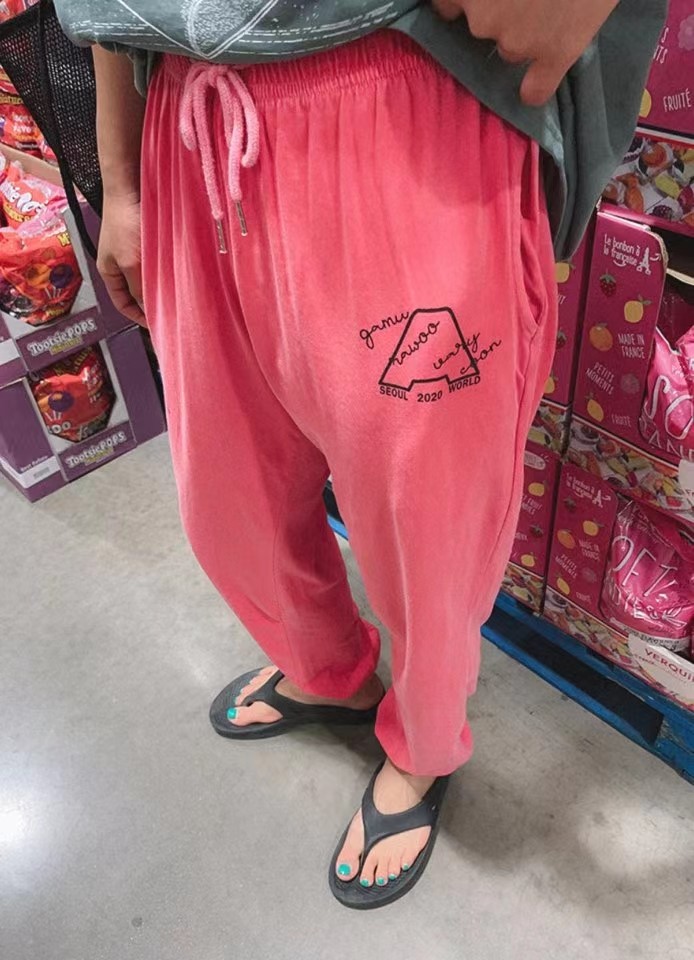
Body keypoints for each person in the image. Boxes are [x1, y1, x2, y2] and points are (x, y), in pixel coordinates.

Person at [55, 0, 665, 909]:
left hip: (404, 104)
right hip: (189, 124)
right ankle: (327, 673)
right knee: (228, 495)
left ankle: (423, 744)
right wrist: (122, 178)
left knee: (426, 518)